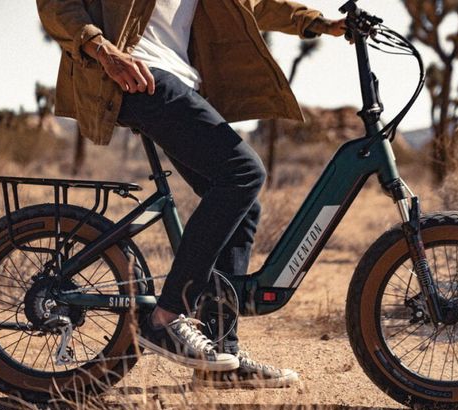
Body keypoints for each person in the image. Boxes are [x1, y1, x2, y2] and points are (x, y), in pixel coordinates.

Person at [37, 0, 345, 388]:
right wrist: (105, 51)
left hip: (177, 80)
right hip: (136, 73)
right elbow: (56, 5)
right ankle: (167, 317)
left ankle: (220, 355)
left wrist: (321, 23)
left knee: (242, 205)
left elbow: (257, 4)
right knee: (244, 173)